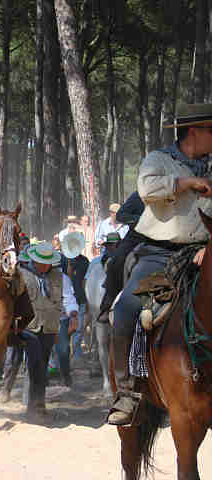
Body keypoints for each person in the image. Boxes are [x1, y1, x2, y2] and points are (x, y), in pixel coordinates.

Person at [108, 103, 212, 426]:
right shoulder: (158, 160)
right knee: (126, 309)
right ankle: (127, 392)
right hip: (159, 255)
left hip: (204, 252)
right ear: (194, 132)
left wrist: (208, 246)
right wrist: (186, 183)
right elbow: (147, 189)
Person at [19, 242, 78, 417]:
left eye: (48, 263)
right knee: (34, 365)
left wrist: (73, 314)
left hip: (50, 328)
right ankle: (33, 405)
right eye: (42, 263)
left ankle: (38, 404)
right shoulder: (21, 275)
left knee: (42, 365)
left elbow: (67, 298)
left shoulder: (59, 277)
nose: (45, 266)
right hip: (30, 327)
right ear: (34, 261)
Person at [97, 192, 146, 323]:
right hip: (137, 238)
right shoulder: (139, 195)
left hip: (166, 240)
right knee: (115, 263)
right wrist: (141, 219)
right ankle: (108, 305)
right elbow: (121, 215)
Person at [59, 231, 89, 373]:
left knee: (78, 329)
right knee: (64, 331)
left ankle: (76, 357)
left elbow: (84, 281)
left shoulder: (84, 261)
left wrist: (86, 300)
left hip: (79, 298)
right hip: (65, 301)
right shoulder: (61, 259)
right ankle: (63, 359)